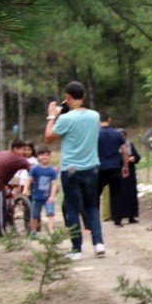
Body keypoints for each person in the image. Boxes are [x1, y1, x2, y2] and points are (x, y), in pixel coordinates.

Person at [45, 80, 104, 260]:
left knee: (71, 207)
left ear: (67, 98)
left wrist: (51, 116)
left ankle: (76, 249)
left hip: (71, 168)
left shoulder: (64, 119)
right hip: (92, 167)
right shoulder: (95, 116)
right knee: (91, 206)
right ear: (84, 97)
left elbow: (49, 137)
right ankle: (98, 242)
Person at [97, 115, 130, 228]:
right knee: (116, 194)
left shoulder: (95, 133)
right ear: (109, 119)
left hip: (100, 168)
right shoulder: (116, 134)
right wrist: (125, 166)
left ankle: (94, 219)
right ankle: (118, 219)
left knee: (96, 194)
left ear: (98, 120)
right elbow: (125, 151)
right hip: (115, 167)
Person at [25, 147, 58, 236]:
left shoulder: (52, 170)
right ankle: (33, 231)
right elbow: (28, 180)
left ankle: (52, 231)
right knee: (35, 215)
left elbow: (54, 184)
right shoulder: (35, 169)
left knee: (50, 214)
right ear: (38, 157)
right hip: (37, 196)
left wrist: (52, 196)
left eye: (47, 155)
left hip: (48, 197)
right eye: (42, 155)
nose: (45, 157)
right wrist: (25, 189)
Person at [118, 129, 141, 224]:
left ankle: (131, 215)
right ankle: (119, 216)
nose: (123, 137)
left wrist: (133, 158)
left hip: (130, 172)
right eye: (121, 135)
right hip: (120, 172)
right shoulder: (115, 146)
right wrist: (125, 159)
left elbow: (137, 156)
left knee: (131, 193)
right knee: (120, 194)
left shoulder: (130, 145)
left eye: (124, 135)